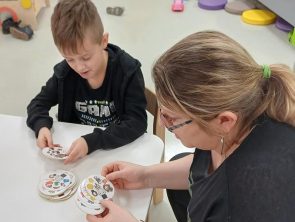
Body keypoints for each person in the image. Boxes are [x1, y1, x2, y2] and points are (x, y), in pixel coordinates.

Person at [86, 31, 295, 222]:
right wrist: (145, 176)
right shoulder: (249, 106)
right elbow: (208, 163)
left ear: (224, 121)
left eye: (172, 119)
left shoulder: (239, 204)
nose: (161, 123)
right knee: (178, 164)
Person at [26, 0, 147, 164]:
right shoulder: (65, 73)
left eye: (86, 57)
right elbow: (37, 104)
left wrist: (92, 141)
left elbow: (137, 122)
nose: (79, 67)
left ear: (104, 41)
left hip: (117, 150)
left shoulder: (127, 71)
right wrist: (41, 126)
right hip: (77, 153)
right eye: (69, 59)